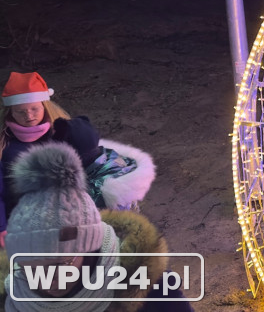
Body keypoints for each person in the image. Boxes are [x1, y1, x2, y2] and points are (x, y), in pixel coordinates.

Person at [0, 142, 192, 311]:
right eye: (32, 270)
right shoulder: (14, 293)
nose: (46, 280)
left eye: (59, 265)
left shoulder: (147, 282)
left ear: (89, 247)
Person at [0, 72, 156, 247]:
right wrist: (2, 227)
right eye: (20, 112)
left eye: (34, 108)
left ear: (44, 105)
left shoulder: (60, 132)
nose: (29, 116)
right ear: (10, 112)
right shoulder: (5, 146)